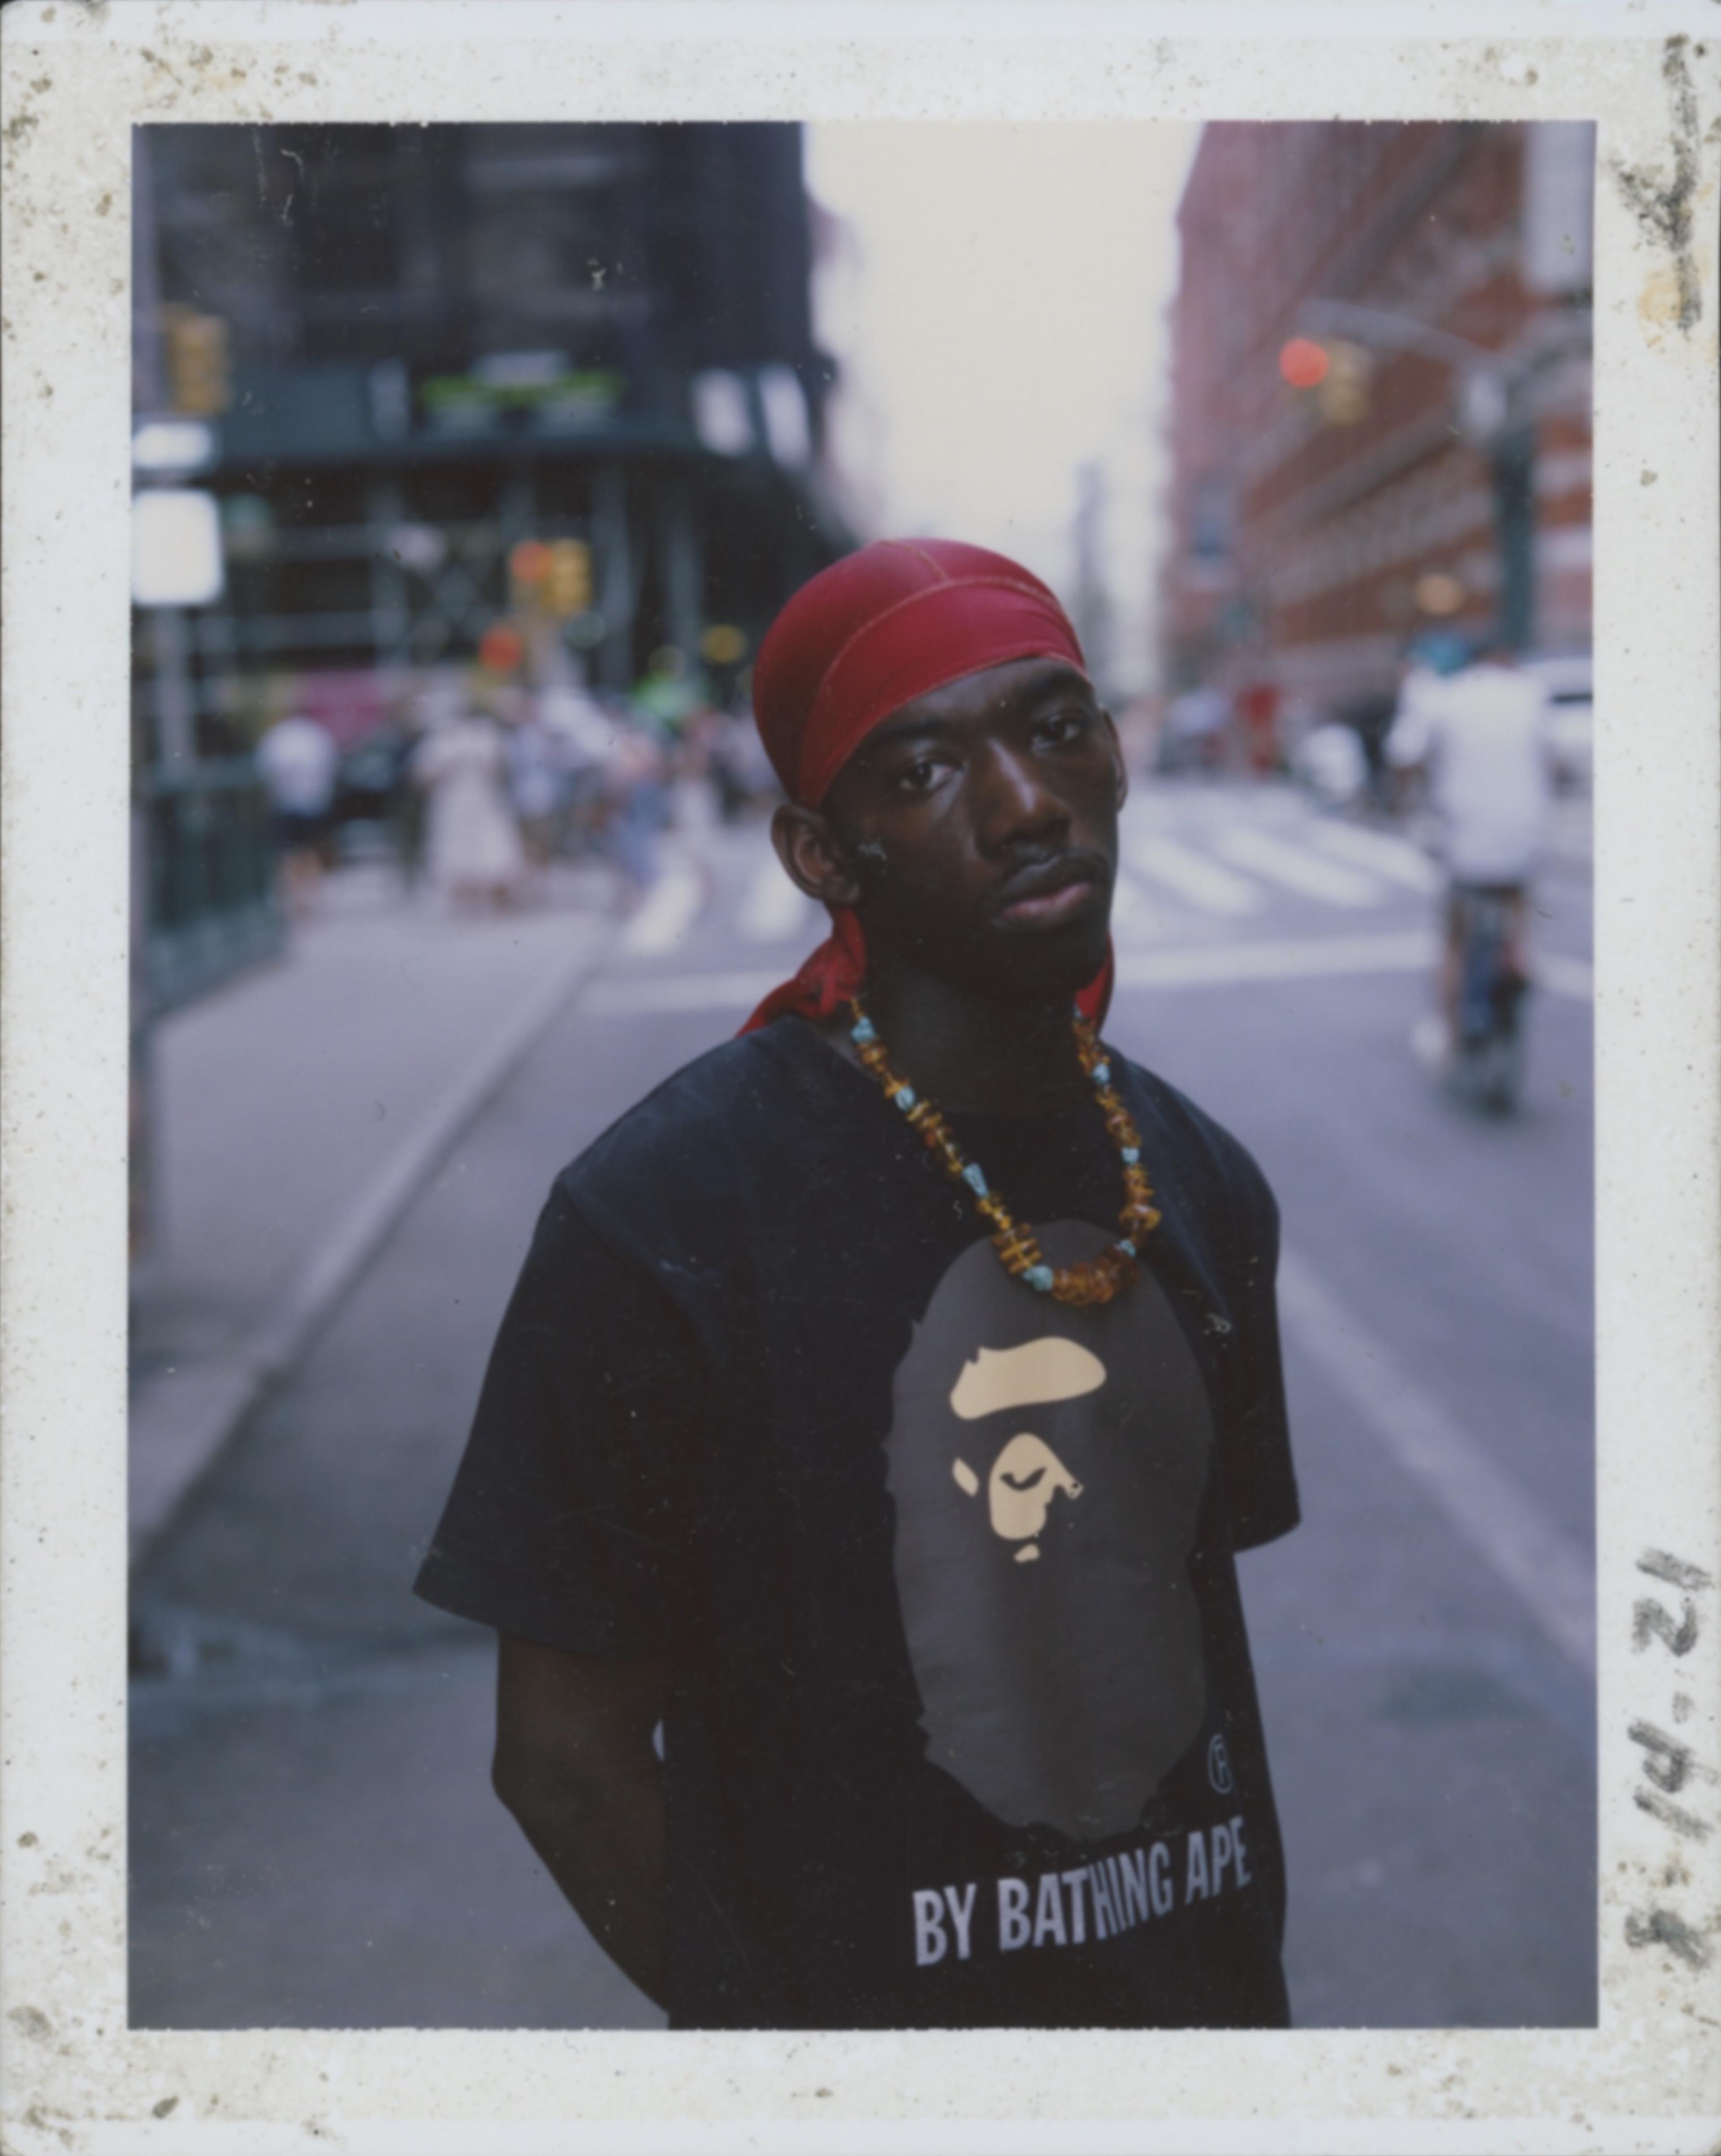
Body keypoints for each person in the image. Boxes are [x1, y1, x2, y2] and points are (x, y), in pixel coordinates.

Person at [415, 540, 1301, 2031]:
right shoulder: (664, 1214)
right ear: (823, 857)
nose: (1026, 803)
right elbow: (562, 1756)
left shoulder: (1198, 1175)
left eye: (1056, 727)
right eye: (926, 768)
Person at [1384, 633, 1557, 1063]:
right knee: (1517, 902)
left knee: (1455, 937)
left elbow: (1405, 757)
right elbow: (1553, 759)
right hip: (1524, 832)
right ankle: (1519, 959)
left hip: (1467, 837)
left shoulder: (1448, 698)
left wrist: (1411, 801)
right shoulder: (1532, 693)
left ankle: (1445, 1031)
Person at [411, 695, 527, 909]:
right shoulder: (444, 736)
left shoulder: (485, 735)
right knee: (457, 851)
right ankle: (467, 900)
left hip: (483, 800)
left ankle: (493, 897)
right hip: (454, 803)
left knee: (493, 848)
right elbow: (424, 776)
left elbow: (503, 770)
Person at [255, 708, 339, 915]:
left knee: (289, 854)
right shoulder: (316, 734)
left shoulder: (276, 737)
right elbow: (330, 766)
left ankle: (296, 899)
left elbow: (265, 771)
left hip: (286, 804)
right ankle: (311, 896)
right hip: (314, 803)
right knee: (310, 851)